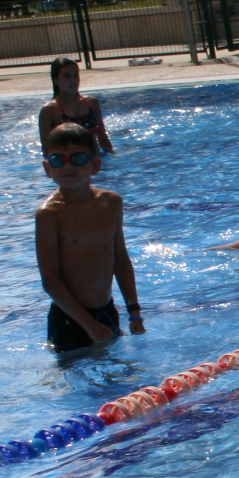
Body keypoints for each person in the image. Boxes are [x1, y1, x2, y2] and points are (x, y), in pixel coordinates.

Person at [34, 123, 144, 354]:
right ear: (47, 168)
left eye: (78, 158)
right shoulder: (49, 214)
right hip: (69, 319)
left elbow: (121, 260)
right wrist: (90, 326)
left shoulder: (111, 203)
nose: (68, 166)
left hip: (107, 311)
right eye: (57, 160)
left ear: (94, 164)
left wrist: (134, 312)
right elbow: (50, 280)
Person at [38, 56, 113, 153]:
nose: (73, 80)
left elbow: (103, 139)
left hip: (94, 162)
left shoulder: (91, 102)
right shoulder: (49, 110)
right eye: (67, 76)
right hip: (69, 165)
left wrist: (113, 160)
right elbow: (46, 149)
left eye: (75, 75)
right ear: (56, 80)